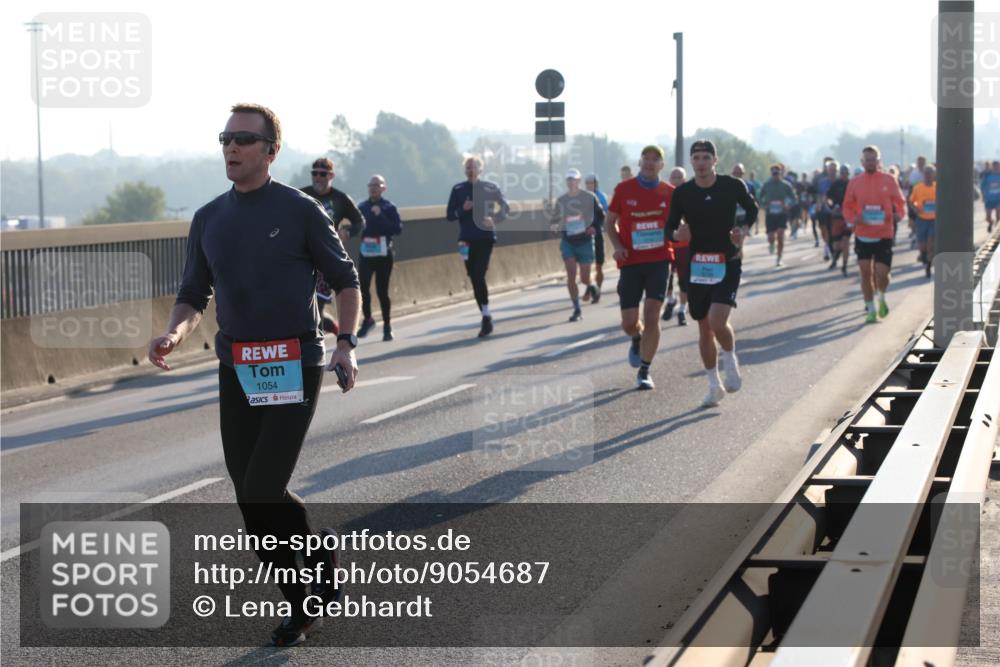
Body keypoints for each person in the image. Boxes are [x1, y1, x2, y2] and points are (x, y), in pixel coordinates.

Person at [148, 103, 361, 647]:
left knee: (264, 486)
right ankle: (310, 581)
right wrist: (174, 333)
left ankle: (308, 593)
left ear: (271, 151)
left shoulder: (301, 210)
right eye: (226, 138)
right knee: (250, 496)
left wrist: (346, 344)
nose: (231, 147)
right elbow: (194, 293)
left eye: (244, 139)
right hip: (237, 367)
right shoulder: (208, 218)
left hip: (294, 362)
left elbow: (345, 279)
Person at [667, 139, 758, 408]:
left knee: (717, 320)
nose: (701, 162)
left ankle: (730, 360)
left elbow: (752, 209)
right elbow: (669, 227)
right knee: (704, 328)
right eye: (696, 158)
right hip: (698, 265)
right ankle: (713, 385)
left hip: (727, 260)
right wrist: (676, 234)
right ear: (691, 162)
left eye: (706, 157)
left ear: (715, 161)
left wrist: (742, 229)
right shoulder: (683, 193)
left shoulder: (732, 185)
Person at [607, 145, 674, 390]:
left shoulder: (670, 192)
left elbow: (679, 225)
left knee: (652, 315)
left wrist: (681, 234)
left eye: (655, 160)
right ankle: (636, 338)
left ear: (661, 166)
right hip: (631, 262)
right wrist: (617, 245)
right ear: (640, 161)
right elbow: (609, 222)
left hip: (659, 260)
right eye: (646, 158)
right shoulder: (624, 190)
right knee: (629, 322)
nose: (649, 163)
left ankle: (645, 370)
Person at [446, 155, 511, 338]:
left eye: (473, 167)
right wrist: (462, 209)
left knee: (478, 274)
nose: (470, 170)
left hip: (485, 237)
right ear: (464, 170)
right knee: (473, 277)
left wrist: (495, 219)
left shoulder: (490, 187)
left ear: (481, 169)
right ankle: (485, 313)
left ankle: (486, 317)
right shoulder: (458, 189)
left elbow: (506, 206)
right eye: (467, 167)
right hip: (466, 240)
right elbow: (450, 215)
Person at [843, 145, 907, 323]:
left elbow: (900, 201)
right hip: (863, 234)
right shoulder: (855, 182)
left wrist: (899, 215)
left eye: (874, 159)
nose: (870, 162)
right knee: (865, 273)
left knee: (882, 273)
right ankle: (870, 309)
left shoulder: (889, 180)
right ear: (862, 162)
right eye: (867, 160)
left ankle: (881, 296)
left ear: (879, 161)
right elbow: (847, 205)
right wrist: (852, 219)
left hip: (884, 233)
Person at [300, 158, 364, 333]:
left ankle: (316, 354)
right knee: (302, 308)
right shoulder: (300, 196)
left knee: (317, 308)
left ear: (332, 176)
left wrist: (347, 232)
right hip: (301, 259)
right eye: (315, 173)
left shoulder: (340, 198)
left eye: (323, 174)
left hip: (325, 260)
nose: (318, 178)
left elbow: (359, 221)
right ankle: (331, 326)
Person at [551, 168, 603, 321]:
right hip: (568, 241)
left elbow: (601, 216)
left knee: (585, 278)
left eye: (573, 179)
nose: (571, 182)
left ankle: (591, 286)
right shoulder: (561, 200)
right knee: (571, 275)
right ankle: (577, 309)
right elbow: (554, 218)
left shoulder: (589, 197)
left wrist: (594, 227)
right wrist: (554, 225)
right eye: (568, 179)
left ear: (578, 181)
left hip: (585, 241)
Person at [356, 174, 403, 340]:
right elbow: (356, 226)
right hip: (366, 254)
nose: (373, 188)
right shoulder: (361, 207)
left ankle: (387, 326)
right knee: (363, 288)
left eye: (377, 185)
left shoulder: (389, 207)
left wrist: (381, 215)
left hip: (384, 254)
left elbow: (397, 229)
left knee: (382, 291)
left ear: (383, 188)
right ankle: (368, 319)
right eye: (371, 185)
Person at [663, 166, 690, 326]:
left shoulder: (690, 196)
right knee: (666, 278)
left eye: (679, 177)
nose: (676, 179)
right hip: (667, 244)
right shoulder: (664, 196)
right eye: (673, 177)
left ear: (684, 180)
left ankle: (681, 310)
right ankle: (671, 299)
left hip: (684, 246)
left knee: (683, 281)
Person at [758, 164, 796, 266]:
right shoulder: (766, 185)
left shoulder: (786, 185)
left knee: (780, 235)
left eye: (777, 173)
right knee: (771, 237)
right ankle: (771, 243)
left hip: (782, 213)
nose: (775, 175)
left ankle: (779, 258)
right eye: (774, 173)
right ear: (771, 174)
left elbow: (793, 199)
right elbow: (759, 197)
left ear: (780, 173)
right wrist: (763, 205)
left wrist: (788, 205)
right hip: (770, 213)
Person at [909, 164, 937, 278]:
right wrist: (916, 210)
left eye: (930, 173)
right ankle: (924, 257)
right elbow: (911, 201)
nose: (928, 175)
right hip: (922, 219)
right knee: (923, 246)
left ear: (934, 174)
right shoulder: (918, 188)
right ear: (923, 174)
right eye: (926, 173)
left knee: (930, 245)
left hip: (934, 220)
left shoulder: (938, 187)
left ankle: (928, 267)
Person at [825, 164, 853, 275]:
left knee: (845, 243)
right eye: (842, 173)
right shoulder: (835, 184)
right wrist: (832, 207)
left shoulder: (852, 184)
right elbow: (827, 198)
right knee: (837, 245)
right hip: (836, 217)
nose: (844, 175)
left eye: (846, 173)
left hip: (848, 217)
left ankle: (845, 266)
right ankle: (835, 259)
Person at [585, 174, 608, 301]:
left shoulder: (601, 196)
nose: (590, 185)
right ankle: (591, 289)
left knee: (599, 266)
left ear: (596, 184)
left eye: (592, 183)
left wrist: (596, 226)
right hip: (585, 237)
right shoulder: (581, 197)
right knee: (586, 266)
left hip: (598, 234)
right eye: (587, 183)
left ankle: (598, 289)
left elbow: (605, 214)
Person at [982, 160, 1000, 233]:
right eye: (994, 166)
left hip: (998, 199)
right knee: (987, 218)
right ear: (992, 167)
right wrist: (983, 197)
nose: (996, 168)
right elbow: (982, 187)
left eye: (997, 166)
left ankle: (997, 230)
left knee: (998, 215)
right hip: (989, 199)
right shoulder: (987, 177)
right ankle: (991, 223)